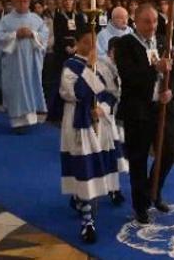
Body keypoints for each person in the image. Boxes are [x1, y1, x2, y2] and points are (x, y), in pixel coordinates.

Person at [60, 25, 127, 243]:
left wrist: (103, 108)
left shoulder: (101, 66)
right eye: (86, 42)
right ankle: (87, 222)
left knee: (96, 167)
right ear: (78, 43)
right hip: (79, 124)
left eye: (93, 42)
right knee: (84, 169)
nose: (90, 46)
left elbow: (109, 94)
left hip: (99, 122)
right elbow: (75, 93)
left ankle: (85, 200)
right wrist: (88, 68)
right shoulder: (70, 66)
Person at [114, 2, 174, 224]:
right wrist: (154, 69)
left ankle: (154, 191)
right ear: (135, 22)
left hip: (162, 109)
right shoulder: (125, 44)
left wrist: (170, 91)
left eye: (155, 21)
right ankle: (141, 205)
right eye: (147, 21)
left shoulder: (162, 42)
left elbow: (173, 72)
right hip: (138, 110)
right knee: (138, 159)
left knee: (169, 153)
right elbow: (129, 75)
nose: (152, 26)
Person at [0, 0, 50, 133]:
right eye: (19, 1)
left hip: (31, 62)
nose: (22, 4)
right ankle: (17, 122)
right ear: (14, 2)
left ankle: (30, 119)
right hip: (14, 63)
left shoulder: (36, 19)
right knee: (16, 88)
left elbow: (45, 34)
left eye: (25, 1)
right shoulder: (6, 20)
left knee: (30, 86)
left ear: (29, 2)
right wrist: (15, 35)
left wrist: (33, 34)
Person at [47, 0, 87, 124]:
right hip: (62, 53)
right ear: (62, 2)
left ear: (74, 2)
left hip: (76, 51)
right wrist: (66, 47)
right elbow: (58, 35)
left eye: (70, 0)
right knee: (60, 81)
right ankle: (57, 114)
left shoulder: (79, 16)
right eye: (66, 0)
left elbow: (82, 33)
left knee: (76, 80)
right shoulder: (59, 16)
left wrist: (77, 46)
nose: (68, 2)